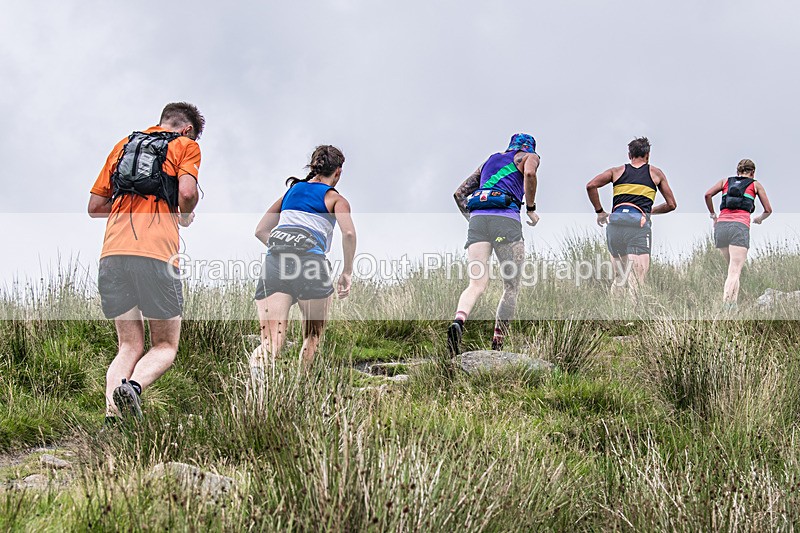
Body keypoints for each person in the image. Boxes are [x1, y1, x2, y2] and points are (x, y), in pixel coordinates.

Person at [88, 102, 205, 422]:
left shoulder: (123, 146)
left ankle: (113, 419)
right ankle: (134, 387)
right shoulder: (185, 146)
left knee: (128, 345)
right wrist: (183, 213)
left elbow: (95, 206)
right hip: (156, 254)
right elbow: (187, 193)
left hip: (113, 254)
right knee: (165, 345)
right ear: (187, 129)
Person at [251, 145, 356, 376]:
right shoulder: (335, 199)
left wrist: (284, 246)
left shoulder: (291, 193)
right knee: (313, 336)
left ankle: (257, 386)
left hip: (276, 263)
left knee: (270, 341)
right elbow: (348, 233)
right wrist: (347, 272)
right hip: (311, 264)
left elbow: (260, 230)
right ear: (338, 172)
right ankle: (302, 387)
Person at [448, 133, 540, 356]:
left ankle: (459, 321)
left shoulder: (490, 160)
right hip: (506, 221)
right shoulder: (529, 156)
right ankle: (498, 343)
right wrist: (530, 208)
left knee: (476, 284)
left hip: (478, 221)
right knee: (511, 286)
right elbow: (529, 173)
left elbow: (459, 194)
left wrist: (474, 219)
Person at [586, 137, 677, 296]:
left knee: (619, 277)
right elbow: (671, 204)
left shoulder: (616, 172)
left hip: (615, 227)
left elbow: (591, 185)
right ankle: (635, 312)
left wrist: (600, 212)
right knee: (637, 280)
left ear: (629, 155)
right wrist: (649, 211)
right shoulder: (655, 173)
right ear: (648, 155)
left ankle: (615, 311)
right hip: (637, 229)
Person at [704, 159, 772, 308]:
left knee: (732, 269)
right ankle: (727, 308)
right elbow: (768, 210)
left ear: (737, 171)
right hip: (739, 227)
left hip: (721, 227)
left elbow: (707, 195)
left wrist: (713, 216)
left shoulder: (725, 182)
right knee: (734, 272)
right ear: (753, 172)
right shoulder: (755, 185)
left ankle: (732, 303)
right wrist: (759, 219)